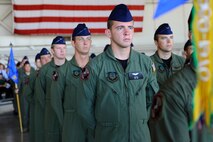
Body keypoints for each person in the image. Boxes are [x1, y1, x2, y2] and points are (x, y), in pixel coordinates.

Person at [78, 4, 159, 142]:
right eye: (120, 28)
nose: (127, 32)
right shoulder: (95, 67)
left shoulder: (145, 63)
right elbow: (84, 108)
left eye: (130, 27)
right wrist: (105, 129)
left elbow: (153, 100)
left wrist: (138, 121)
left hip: (140, 136)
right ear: (108, 33)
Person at [51, 23, 92, 142]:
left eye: (88, 39)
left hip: (95, 126)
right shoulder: (63, 71)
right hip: (72, 125)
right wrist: (66, 123)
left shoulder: (98, 68)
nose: (85, 43)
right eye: (81, 39)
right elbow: (56, 101)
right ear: (73, 43)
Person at [35, 36, 67, 142]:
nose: (62, 51)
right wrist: (50, 108)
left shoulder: (73, 69)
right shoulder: (44, 71)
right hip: (51, 113)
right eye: (59, 48)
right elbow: (40, 95)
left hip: (69, 114)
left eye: (64, 48)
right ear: (52, 50)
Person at [150, 23, 185, 88]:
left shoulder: (182, 62)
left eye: (171, 37)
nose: (169, 41)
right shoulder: (148, 63)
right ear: (156, 42)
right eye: (164, 38)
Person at [33, 48, 52, 142]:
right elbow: (40, 97)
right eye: (43, 58)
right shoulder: (39, 74)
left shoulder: (58, 71)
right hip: (45, 110)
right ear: (40, 61)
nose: (46, 60)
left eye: (48, 57)